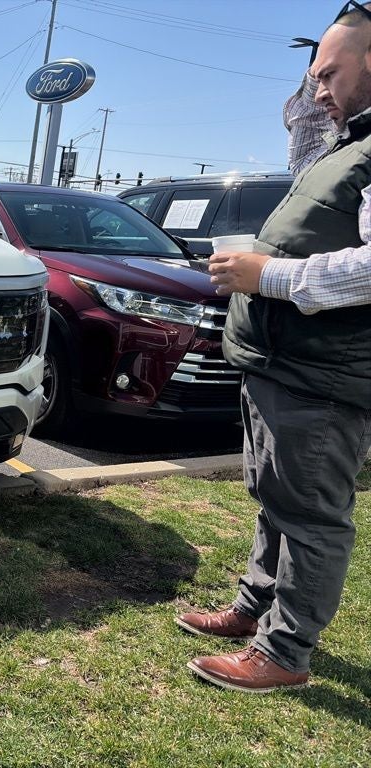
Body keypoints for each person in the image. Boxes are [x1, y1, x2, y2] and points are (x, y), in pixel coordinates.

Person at [176, 4, 371, 693]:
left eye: (328, 73)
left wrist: (269, 275)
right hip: (283, 364)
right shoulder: (345, 145)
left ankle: (285, 653)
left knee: (312, 516)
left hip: (323, 377)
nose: (316, 90)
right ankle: (253, 609)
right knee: (274, 498)